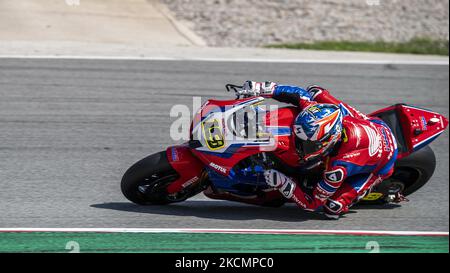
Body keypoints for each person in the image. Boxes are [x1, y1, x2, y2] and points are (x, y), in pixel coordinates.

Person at [239, 81, 398, 219]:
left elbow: (312, 204)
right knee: (316, 91)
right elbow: (302, 94)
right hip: (373, 124)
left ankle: (364, 193)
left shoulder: (338, 169)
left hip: (382, 162)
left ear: (327, 142)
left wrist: (284, 183)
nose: (301, 145)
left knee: (332, 208)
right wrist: (264, 88)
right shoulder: (323, 112)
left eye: (307, 144)